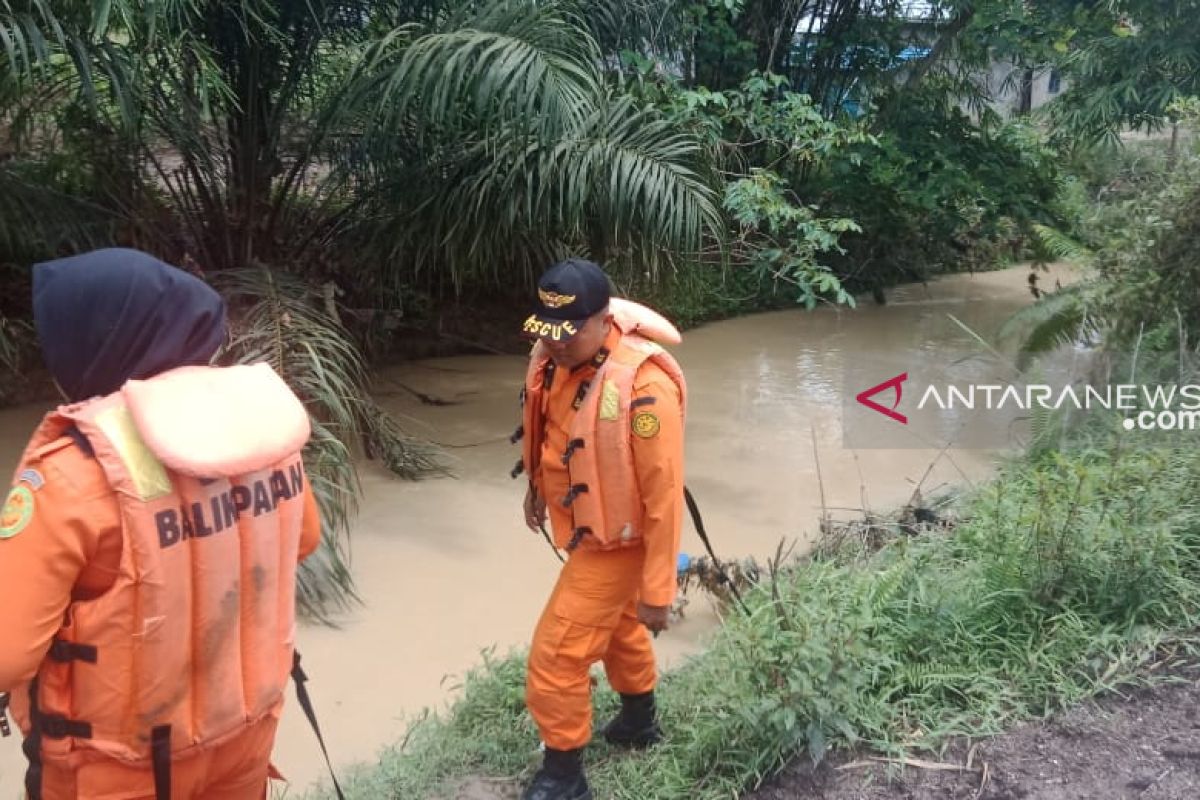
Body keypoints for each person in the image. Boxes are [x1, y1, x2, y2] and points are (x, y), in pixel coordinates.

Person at [0, 248, 322, 800]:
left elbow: (6, 654)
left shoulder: (74, 474)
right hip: (243, 737)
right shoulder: (265, 434)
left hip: (116, 767)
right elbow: (304, 540)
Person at [514, 258, 687, 800]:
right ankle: (639, 722)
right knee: (616, 629)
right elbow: (553, 434)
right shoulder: (555, 360)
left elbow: (664, 497)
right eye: (549, 332)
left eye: (569, 334)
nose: (556, 345)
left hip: (620, 544)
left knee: (557, 654)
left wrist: (658, 591)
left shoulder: (644, 388)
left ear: (602, 318)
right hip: (586, 530)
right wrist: (536, 490)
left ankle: (564, 776)